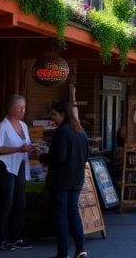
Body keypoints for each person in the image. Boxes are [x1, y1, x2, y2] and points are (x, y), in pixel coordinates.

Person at [46, 101, 89, 258]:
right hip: (77, 179)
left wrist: (44, 157)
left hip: (61, 180)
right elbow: (86, 156)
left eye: (55, 114)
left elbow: (58, 157)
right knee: (73, 212)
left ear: (63, 114)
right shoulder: (81, 132)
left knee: (61, 215)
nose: (53, 118)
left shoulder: (62, 132)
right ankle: (80, 247)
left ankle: (63, 253)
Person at [0, 95, 33, 251]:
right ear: (11, 108)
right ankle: (1, 238)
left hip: (21, 165)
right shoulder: (3, 126)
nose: (23, 110)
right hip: (6, 168)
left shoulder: (24, 125)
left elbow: (26, 145)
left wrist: (31, 149)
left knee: (20, 201)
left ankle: (17, 236)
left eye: (24, 107)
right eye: (20, 107)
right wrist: (17, 149)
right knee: (6, 202)